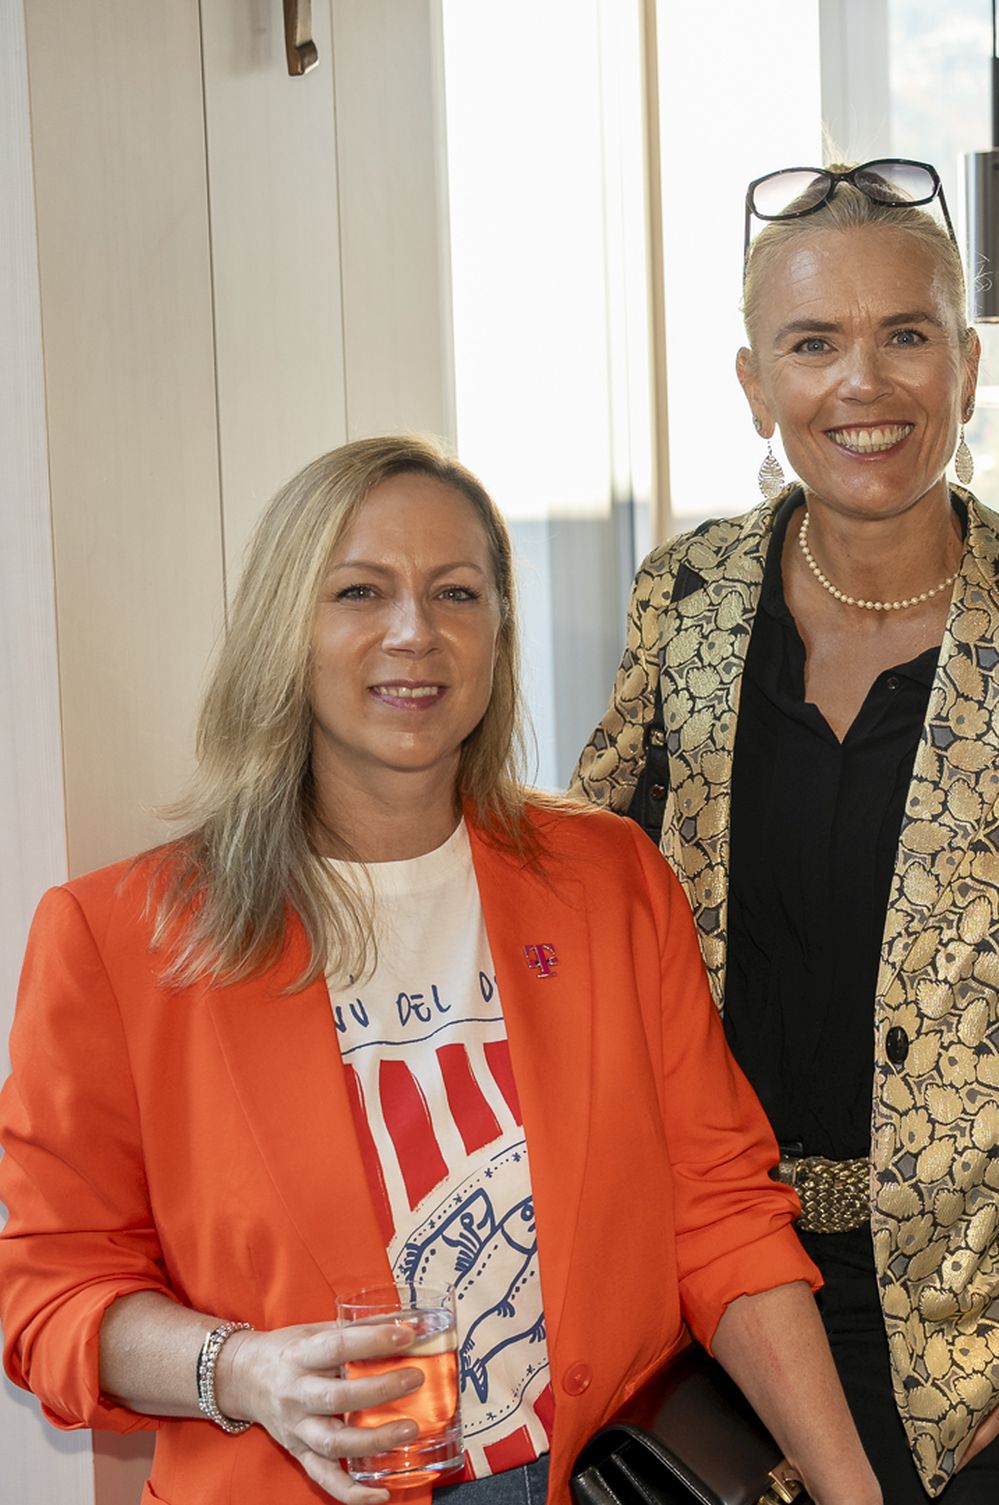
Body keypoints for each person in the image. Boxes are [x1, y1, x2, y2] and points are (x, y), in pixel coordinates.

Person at [0, 436, 880, 1505]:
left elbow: (725, 1216)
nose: (414, 631)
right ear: (287, 625)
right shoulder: (120, 937)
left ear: (498, 630)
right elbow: (50, 1291)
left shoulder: (609, 879)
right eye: (360, 590)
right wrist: (243, 1371)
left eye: (456, 591)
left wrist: (851, 1490)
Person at [572, 159, 999, 1502]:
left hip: (972, 1326)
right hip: (704, 1294)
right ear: (756, 385)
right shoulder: (685, 600)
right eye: (813, 343)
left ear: (966, 368)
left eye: (905, 335)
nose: (862, 382)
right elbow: (584, 895)